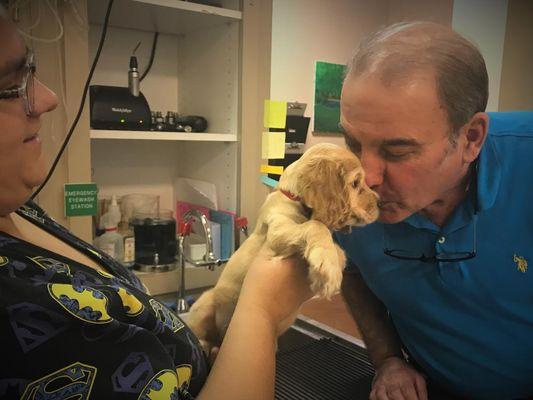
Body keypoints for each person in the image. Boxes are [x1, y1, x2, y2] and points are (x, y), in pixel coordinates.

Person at [0, 13, 312, 400]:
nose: (48, 98)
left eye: (29, 72)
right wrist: (261, 311)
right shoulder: (14, 303)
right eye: (11, 86)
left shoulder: (20, 212)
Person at [335, 21, 533, 400]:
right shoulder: (343, 190)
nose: (366, 177)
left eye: (397, 151)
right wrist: (388, 359)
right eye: (352, 141)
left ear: (471, 138)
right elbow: (351, 267)